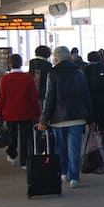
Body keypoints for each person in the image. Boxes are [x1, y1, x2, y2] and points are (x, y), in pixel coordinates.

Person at [37, 46, 92, 189]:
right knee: (74, 148)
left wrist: (43, 120)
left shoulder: (52, 73)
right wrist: (90, 117)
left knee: (60, 147)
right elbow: (86, 96)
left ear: (56, 58)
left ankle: (63, 173)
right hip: (78, 117)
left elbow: (49, 99)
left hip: (58, 119)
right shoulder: (79, 73)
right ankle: (74, 178)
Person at [0, 54, 41, 169]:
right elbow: (34, 97)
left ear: (10, 64)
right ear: (21, 63)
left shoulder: (5, 79)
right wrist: (37, 112)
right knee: (26, 137)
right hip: (26, 112)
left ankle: (12, 154)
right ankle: (24, 161)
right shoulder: (28, 78)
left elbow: (2, 98)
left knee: (11, 135)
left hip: (10, 113)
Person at [84, 51, 104, 132]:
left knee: (92, 113)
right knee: (102, 114)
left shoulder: (86, 68)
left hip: (90, 96)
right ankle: (103, 131)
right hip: (103, 96)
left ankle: (93, 129)